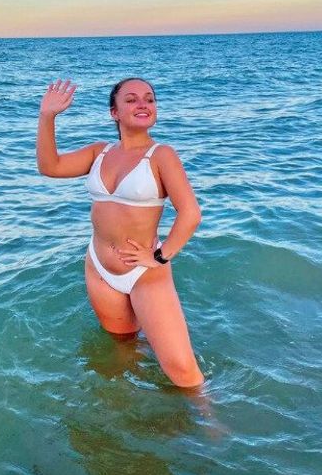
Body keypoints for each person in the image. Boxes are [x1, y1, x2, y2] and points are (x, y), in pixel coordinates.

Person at [36, 77, 205, 388]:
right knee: (123, 346)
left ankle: (209, 416)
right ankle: (125, 403)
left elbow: (191, 214)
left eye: (149, 99)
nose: (143, 104)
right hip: (99, 268)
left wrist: (159, 256)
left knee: (183, 372)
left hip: (143, 272)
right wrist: (47, 116)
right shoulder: (99, 152)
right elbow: (50, 167)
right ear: (114, 112)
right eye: (131, 99)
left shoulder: (161, 155)